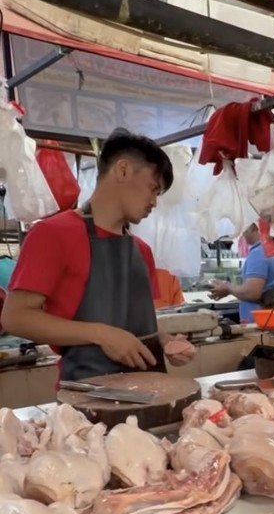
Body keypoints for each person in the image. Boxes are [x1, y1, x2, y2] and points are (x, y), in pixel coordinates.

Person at [2, 129, 195, 380]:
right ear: (123, 169)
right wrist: (101, 334)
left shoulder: (141, 250)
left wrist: (164, 341)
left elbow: (137, 327)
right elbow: (16, 318)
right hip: (87, 397)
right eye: (152, 188)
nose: (154, 202)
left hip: (152, 390)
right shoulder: (52, 233)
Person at [209, 222, 274, 321]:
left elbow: (252, 293)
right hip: (270, 319)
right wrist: (229, 286)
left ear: (253, 228)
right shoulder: (270, 250)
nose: (242, 233)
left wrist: (228, 288)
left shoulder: (258, 253)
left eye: (244, 229)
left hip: (260, 323)